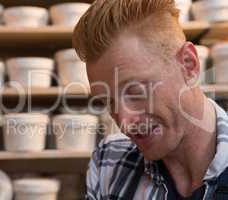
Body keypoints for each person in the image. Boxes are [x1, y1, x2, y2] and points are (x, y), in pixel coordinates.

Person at [72, 0, 228, 199]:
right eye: (108, 102)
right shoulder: (109, 160)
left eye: (136, 92)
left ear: (188, 65)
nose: (124, 124)